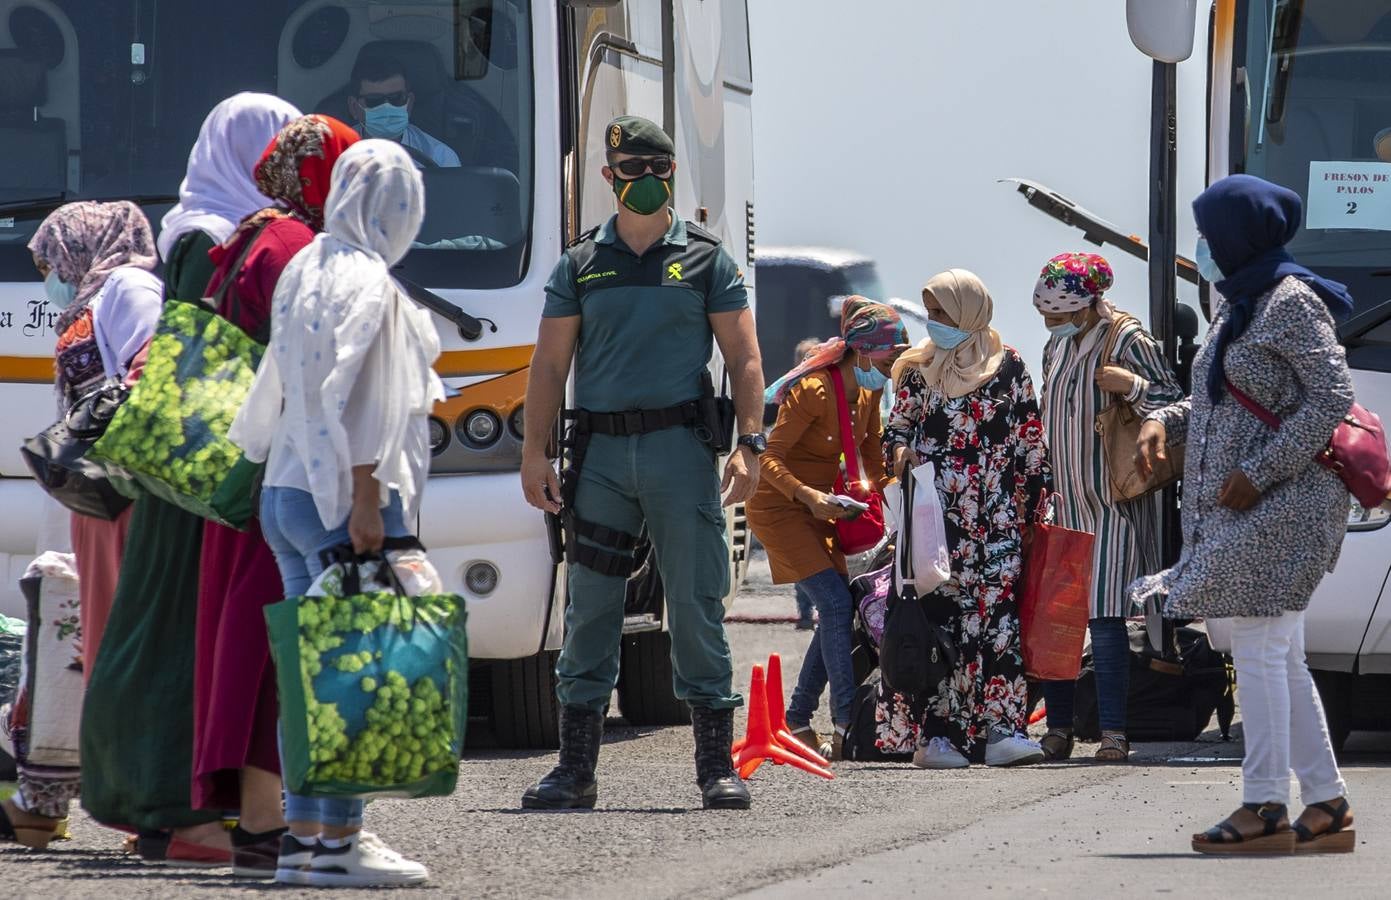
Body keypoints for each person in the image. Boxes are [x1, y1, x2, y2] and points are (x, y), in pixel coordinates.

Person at [519, 115, 764, 811]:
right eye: (631, 171)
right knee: (590, 609)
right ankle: (574, 769)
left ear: (671, 174)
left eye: (657, 170)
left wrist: (750, 444)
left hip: (680, 452)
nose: (646, 182)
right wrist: (534, 453)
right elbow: (548, 364)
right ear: (608, 177)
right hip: (597, 459)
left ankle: (716, 767)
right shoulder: (579, 263)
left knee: (694, 606)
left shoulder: (707, 259)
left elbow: (744, 358)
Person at [77, 94, 297, 868]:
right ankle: (182, 814)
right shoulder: (225, 239)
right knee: (188, 634)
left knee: (160, 621)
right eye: (276, 151)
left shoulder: (187, 224)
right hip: (217, 467)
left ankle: (161, 809)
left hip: (178, 460)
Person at [230, 140, 439, 887]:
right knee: (349, 672)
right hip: (337, 501)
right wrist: (365, 503)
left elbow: (275, 387)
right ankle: (340, 842)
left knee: (304, 677)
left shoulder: (306, 268)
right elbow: (368, 403)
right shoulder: (372, 285)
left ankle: (301, 842)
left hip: (284, 490)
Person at [1134, 174, 1357, 855]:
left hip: (1286, 504)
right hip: (1254, 503)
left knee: (1259, 646)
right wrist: (1164, 422)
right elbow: (1225, 398)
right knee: (1276, 652)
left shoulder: (1289, 302)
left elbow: (1331, 397)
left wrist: (1256, 474)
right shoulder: (1241, 304)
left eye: (1208, 235)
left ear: (1237, 235)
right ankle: (1324, 805)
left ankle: (1263, 803)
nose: (1201, 248)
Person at [192, 113, 359, 879]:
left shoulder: (252, 234)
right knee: (284, 655)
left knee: (253, 648)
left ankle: (266, 822)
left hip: (246, 475)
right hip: (287, 471)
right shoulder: (297, 249)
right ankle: (282, 826)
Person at [1, 201, 162, 850]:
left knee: (105, 646)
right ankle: (43, 801)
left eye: (50, 262)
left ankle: (129, 805)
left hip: (114, 497)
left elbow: (139, 383)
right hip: (78, 500)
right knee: (66, 644)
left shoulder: (130, 288)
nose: (48, 276)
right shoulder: (91, 299)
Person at [880, 269, 1051, 769]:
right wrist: (901, 453)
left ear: (969, 314)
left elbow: (1029, 443)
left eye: (942, 314)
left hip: (995, 521)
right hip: (938, 522)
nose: (934, 324)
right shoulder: (918, 371)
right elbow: (896, 430)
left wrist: (1035, 510)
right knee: (942, 625)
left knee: (997, 623)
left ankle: (1002, 732)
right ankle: (938, 736)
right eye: (930, 313)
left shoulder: (1009, 367)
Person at [1030, 252, 1183, 763]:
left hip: (1112, 501)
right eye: (1046, 316)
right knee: (1058, 615)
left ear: (1088, 304)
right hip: (1065, 500)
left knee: (1106, 614)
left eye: (1059, 314)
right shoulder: (1058, 347)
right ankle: (1057, 729)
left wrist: (1133, 387)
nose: (1051, 324)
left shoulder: (1128, 338)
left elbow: (1175, 403)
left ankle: (1115, 732)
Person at [748, 298, 907, 760]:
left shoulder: (871, 391)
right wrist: (809, 497)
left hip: (824, 508)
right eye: (890, 355)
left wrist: (901, 495)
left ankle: (797, 720)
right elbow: (767, 458)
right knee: (837, 605)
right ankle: (845, 721)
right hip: (782, 506)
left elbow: (873, 454)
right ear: (863, 352)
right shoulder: (815, 389)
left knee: (839, 608)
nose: (894, 364)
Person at [348, 53, 460, 168]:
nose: (387, 108)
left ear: (410, 102)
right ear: (354, 107)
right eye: (374, 101)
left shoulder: (440, 157)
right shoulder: (335, 154)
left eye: (396, 98)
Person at [792, 335, 827, 630]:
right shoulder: (794, 397)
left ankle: (810, 610)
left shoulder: (824, 395)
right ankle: (806, 610)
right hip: (800, 489)